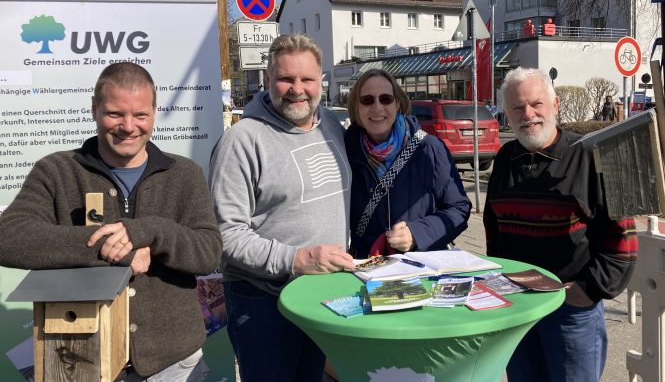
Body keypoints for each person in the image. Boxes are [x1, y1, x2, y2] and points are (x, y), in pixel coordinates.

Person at [0, 62, 223, 381]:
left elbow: (209, 253)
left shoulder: (184, 174)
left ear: (154, 112)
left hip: (174, 363)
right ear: (95, 108)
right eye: (115, 114)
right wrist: (110, 247)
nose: (128, 126)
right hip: (82, 360)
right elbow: (9, 238)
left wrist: (152, 231)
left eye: (140, 115)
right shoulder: (56, 172)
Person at [208, 34, 354, 382]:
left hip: (321, 294)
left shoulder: (330, 125)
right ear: (268, 79)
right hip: (262, 302)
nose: (297, 89)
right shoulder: (242, 141)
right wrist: (296, 259)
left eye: (307, 79)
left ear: (321, 81)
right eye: (286, 78)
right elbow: (225, 235)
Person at [483, 67, 638, 382]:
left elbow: (624, 237)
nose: (528, 114)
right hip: (519, 307)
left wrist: (588, 290)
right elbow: (493, 226)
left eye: (536, 104)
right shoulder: (505, 157)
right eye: (517, 108)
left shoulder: (592, 154)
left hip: (571, 310)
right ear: (507, 115)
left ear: (555, 104)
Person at [345, 68, 471, 258]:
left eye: (386, 99)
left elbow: (459, 208)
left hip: (420, 265)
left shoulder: (430, 149)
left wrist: (417, 234)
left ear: (397, 103)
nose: (377, 107)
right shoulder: (346, 152)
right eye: (367, 100)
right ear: (356, 107)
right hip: (366, 265)